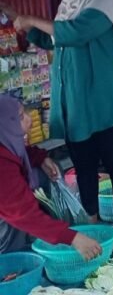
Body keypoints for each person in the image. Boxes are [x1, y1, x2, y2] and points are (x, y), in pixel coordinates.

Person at [2, 0, 113, 252]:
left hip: (104, 104)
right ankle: (91, 227)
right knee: (84, 168)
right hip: (77, 106)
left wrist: (32, 18)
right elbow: (53, 39)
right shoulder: (71, 5)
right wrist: (18, 17)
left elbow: (74, 33)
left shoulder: (103, 3)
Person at [0, 95, 102, 260]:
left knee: (48, 170)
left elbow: (21, 153)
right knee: (13, 230)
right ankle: (12, 264)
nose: (29, 120)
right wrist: (73, 238)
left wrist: (41, 158)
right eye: (20, 117)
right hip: (8, 215)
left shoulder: (5, 141)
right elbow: (21, 213)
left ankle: (41, 232)